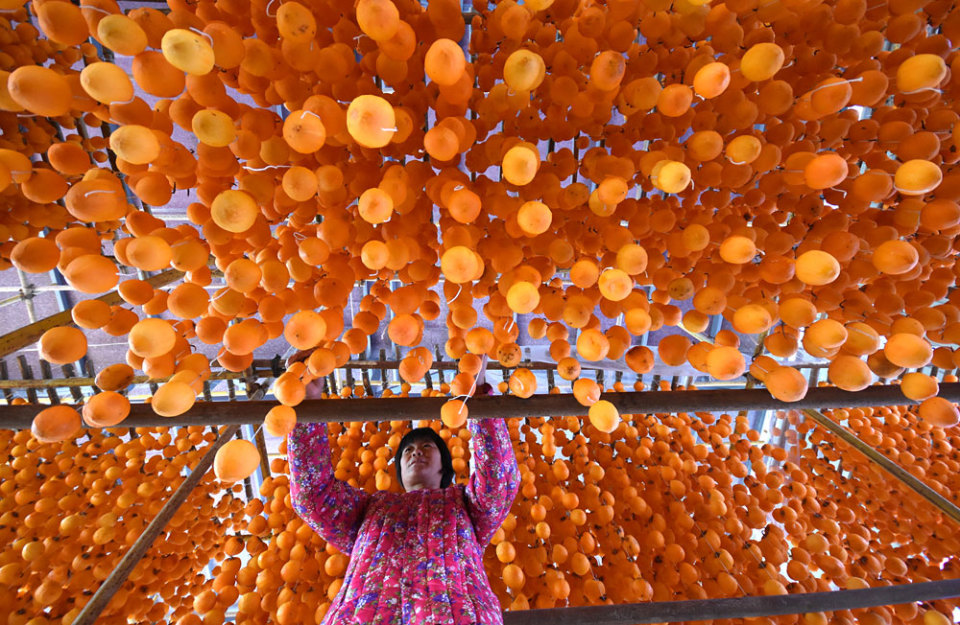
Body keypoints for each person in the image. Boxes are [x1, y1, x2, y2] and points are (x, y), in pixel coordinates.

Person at [286, 352, 520, 625]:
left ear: (444, 466)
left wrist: (477, 394)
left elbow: (498, 480)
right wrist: (306, 404)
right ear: (398, 471)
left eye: (426, 446)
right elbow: (312, 494)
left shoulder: (467, 505)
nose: (415, 452)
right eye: (407, 450)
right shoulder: (371, 508)